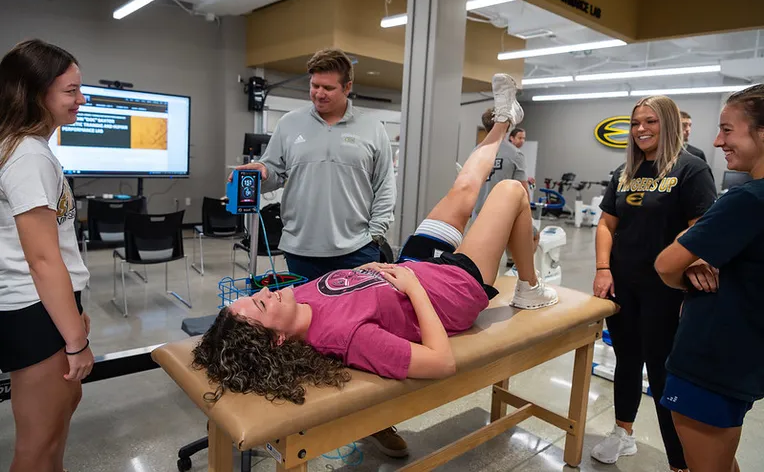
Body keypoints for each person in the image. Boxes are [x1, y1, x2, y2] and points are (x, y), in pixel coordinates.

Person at [194, 74, 558, 458]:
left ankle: (504, 119)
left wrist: (381, 274)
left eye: (258, 296)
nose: (267, 292)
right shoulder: (346, 337)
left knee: (465, 187)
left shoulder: (296, 299)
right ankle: (529, 287)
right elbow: (441, 363)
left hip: (413, 264)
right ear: (279, 339)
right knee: (510, 191)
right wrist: (414, 289)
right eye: (264, 305)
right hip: (452, 287)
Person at [591, 95, 717, 471]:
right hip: (622, 284)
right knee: (626, 360)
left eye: (650, 122)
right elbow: (606, 224)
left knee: (662, 372)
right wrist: (602, 268)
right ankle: (623, 433)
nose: (641, 129)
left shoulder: (691, 169)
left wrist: (689, 272)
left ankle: (679, 462)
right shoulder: (625, 172)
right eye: (635, 123)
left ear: (668, 124)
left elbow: (703, 231)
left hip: (666, 290)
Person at [655, 84, 764, 472]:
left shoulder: (747, 199)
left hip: (711, 361)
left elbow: (667, 264)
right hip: (745, 355)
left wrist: (688, 268)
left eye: (728, 130)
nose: (718, 141)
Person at [0, 40, 93, 472]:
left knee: (55, 428)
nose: (81, 99)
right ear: (38, 94)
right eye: (71, 91)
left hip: (46, 308)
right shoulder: (27, 155)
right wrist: (76, 341)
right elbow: (42, 260)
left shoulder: (26, 148)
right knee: (37, 446)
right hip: (36, 312)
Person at [233, 48, 396, 281]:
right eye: (314, 86)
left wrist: (375, 236)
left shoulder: (372, 128)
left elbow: (385, 186)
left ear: (347, 87)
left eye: (328, 88)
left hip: (357, 249)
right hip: (300, 250)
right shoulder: (289, 123)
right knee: (305, 316)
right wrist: (263, 173)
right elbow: (275, 175)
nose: (319, 93)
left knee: (353, 317)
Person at [470, 112, 535, 269]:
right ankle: (521, 273)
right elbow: (522, 190)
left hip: (478, 215)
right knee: (534, 235)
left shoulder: (476, 151)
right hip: (504, 216)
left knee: (482, 260)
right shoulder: (515, 154)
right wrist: (528, 220)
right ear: (506, 126)